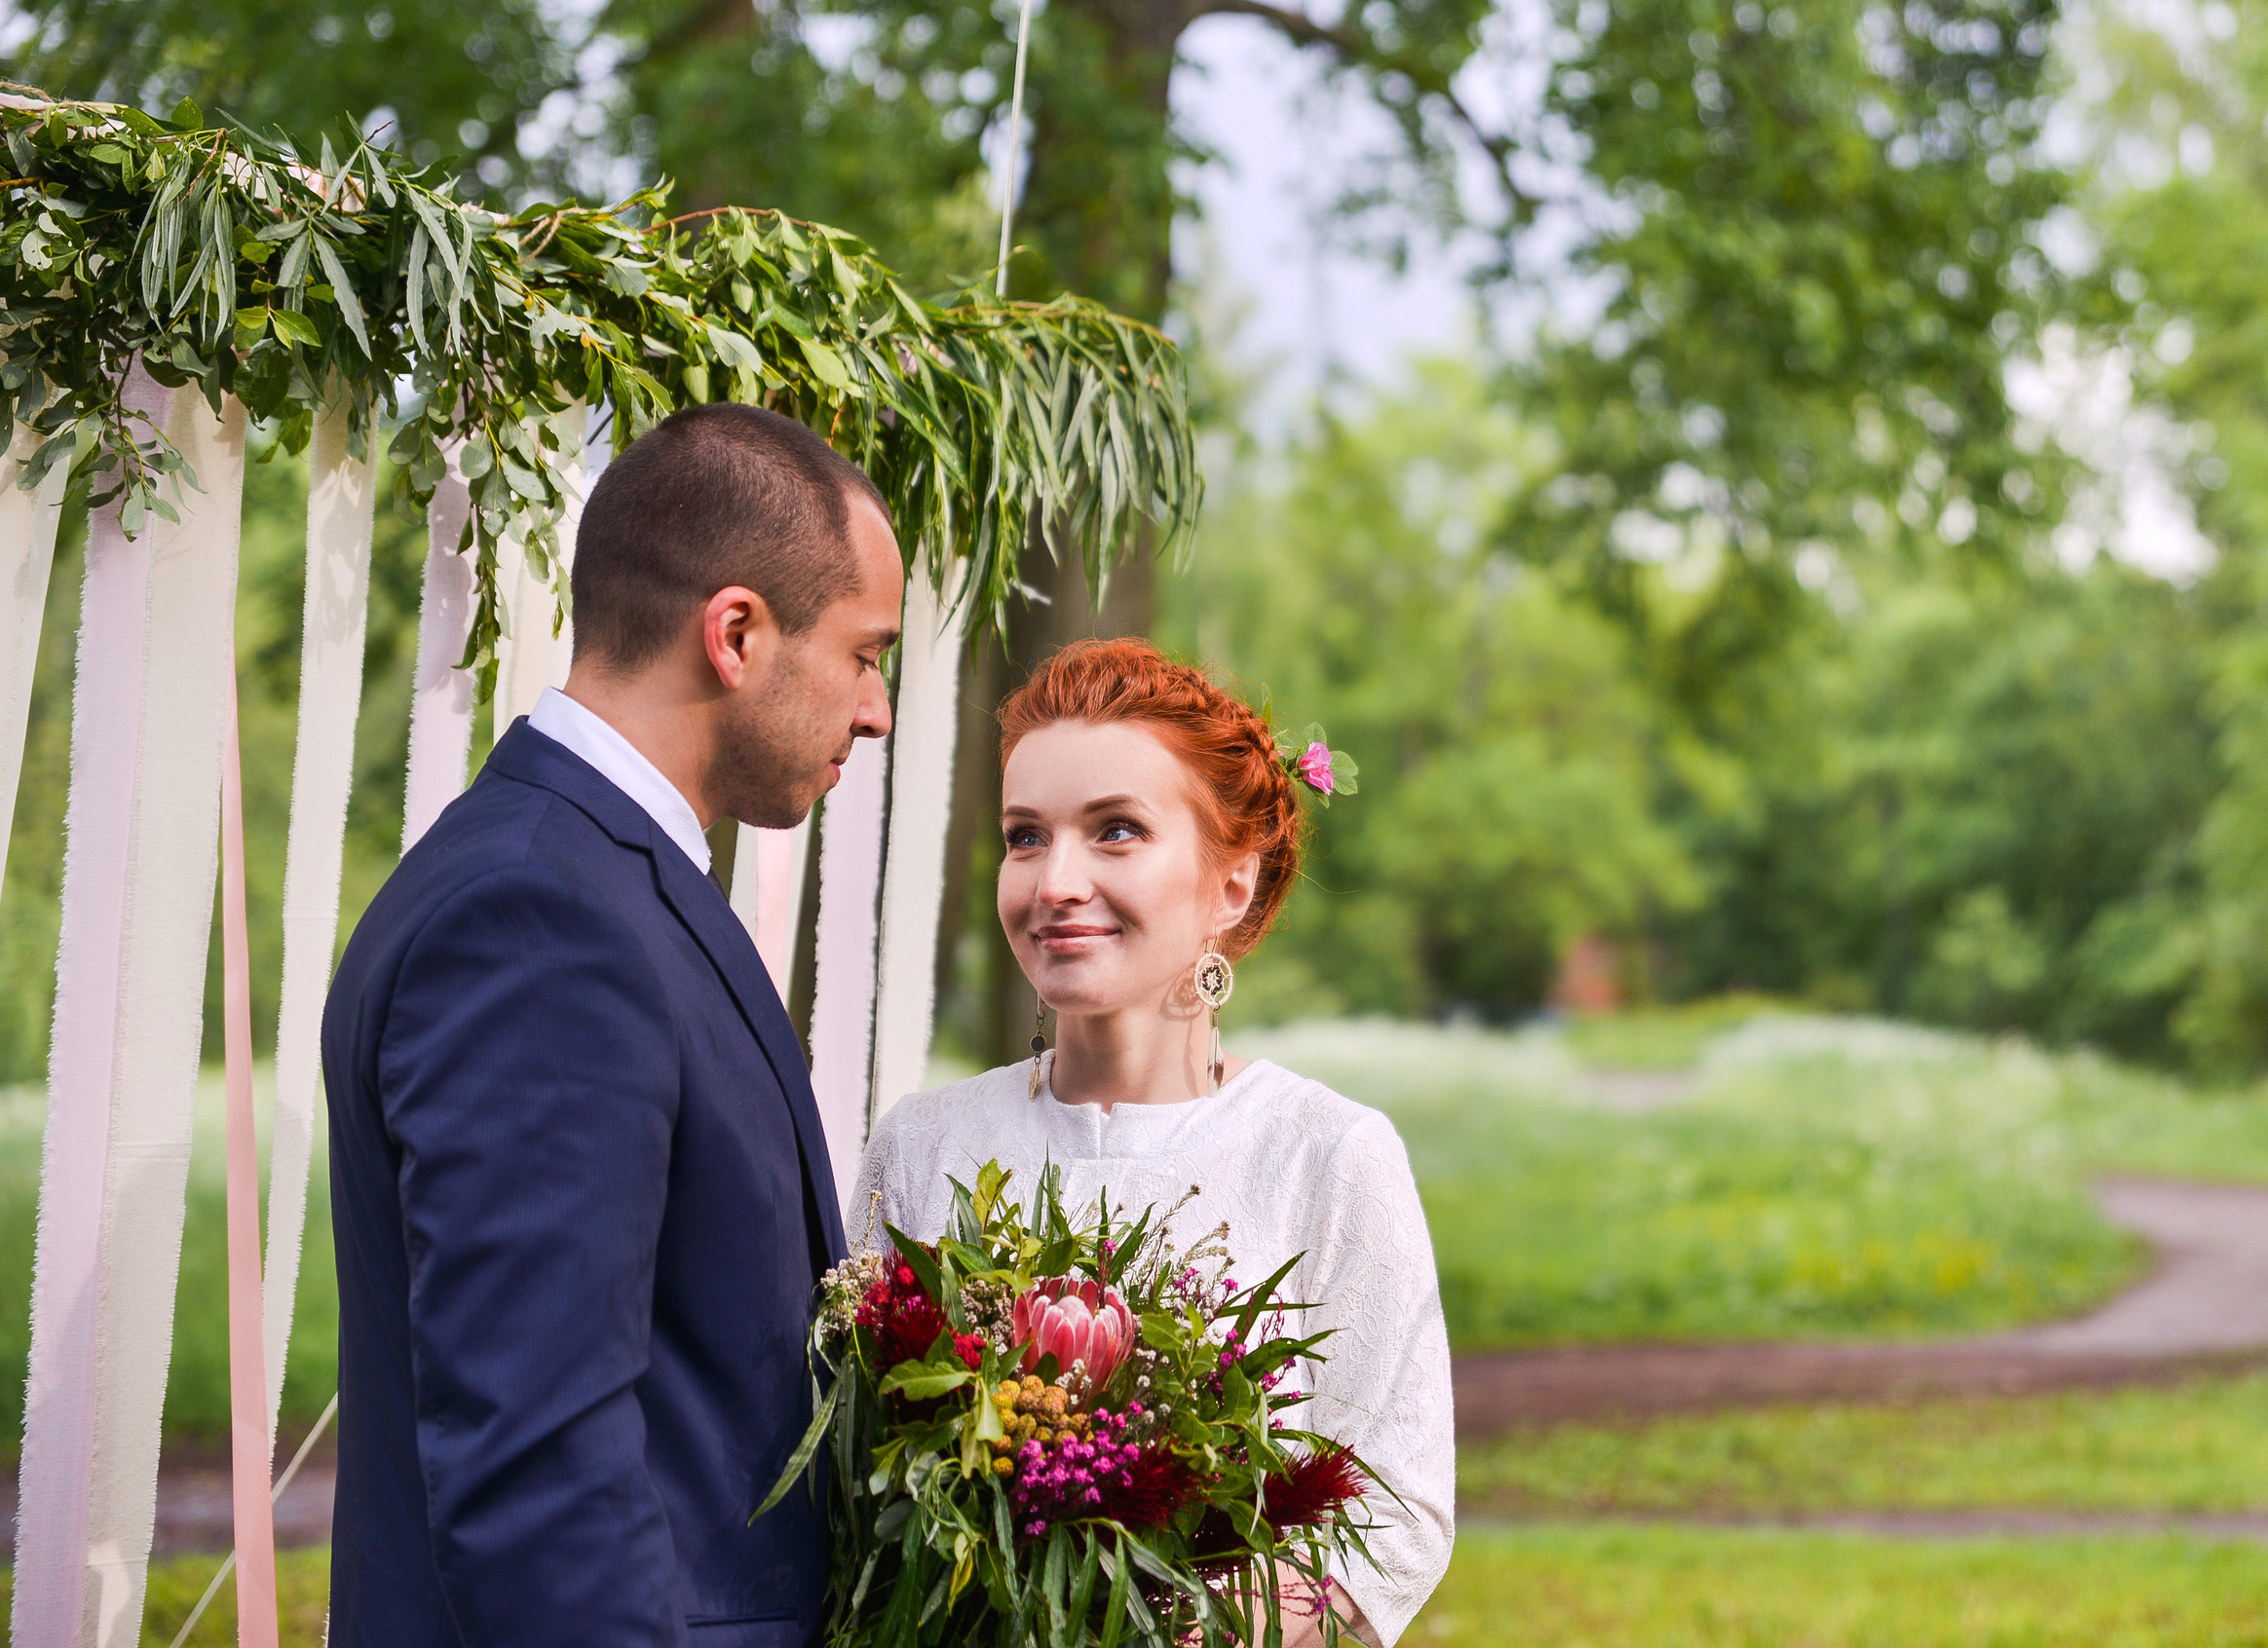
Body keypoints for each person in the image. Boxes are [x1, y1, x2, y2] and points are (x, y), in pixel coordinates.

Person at [321, 402, 904, 1646]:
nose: (878, 709)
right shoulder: (541, 918)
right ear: (736, 633)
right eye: (864, 653)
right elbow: (538, 1470)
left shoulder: (590, 878)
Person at [848, 638, 1456, 1647]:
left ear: (1230, 884)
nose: (1056, 882)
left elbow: (1395, 1502)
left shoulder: (1325, 1153)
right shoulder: (923, 1142)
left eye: (1116, 832)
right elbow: (850, 1470)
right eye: (1025, 836)